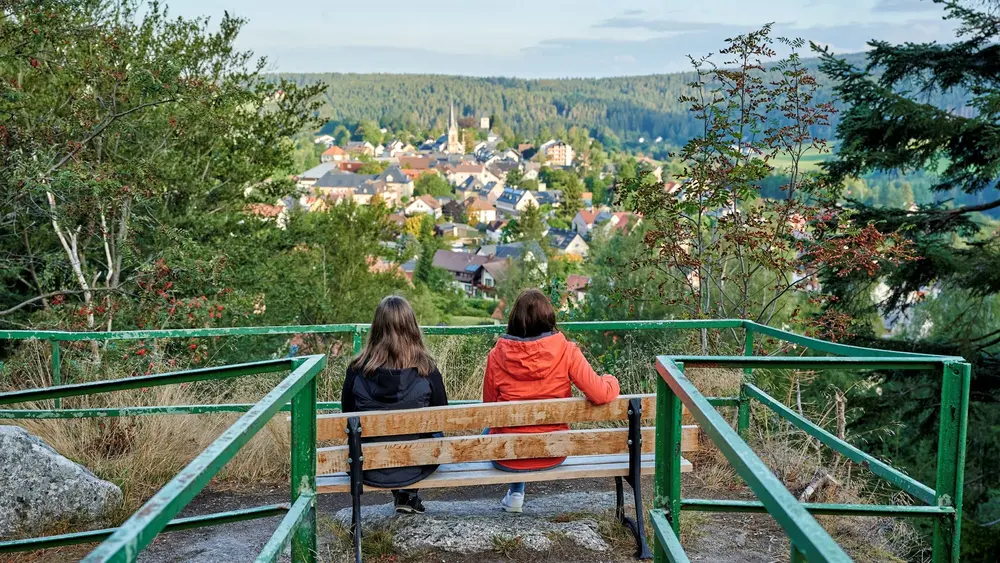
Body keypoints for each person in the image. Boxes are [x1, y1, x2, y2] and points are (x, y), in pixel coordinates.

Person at [483, 288, 620, 513]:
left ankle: (516, 493)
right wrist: (611, 380)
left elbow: (488, 409)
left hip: (507, 457)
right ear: (549, 318)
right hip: (554, 451)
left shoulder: (496, 355)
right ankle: (515, 492)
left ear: (514, 320)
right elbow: (601, 394)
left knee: (493, 429)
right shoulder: (566, 351)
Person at [341, 295, 448, 514]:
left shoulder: (356, 370)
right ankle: (408, 493)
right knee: (432, 432)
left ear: (376, 329)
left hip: (368, 465)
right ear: (412, 328)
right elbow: (441, 415)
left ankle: (402, 493)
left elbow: (347, 414)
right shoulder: (427, 370)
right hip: (417, 464)